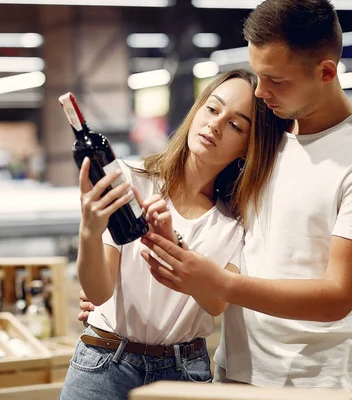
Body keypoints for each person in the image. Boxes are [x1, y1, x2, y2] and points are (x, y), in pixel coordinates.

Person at [134, 0, 352, 395]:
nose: (260, 92)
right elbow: (221, 227)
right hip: (235, 375)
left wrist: (224, 285)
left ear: (326, 72)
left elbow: (338, 296)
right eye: (258, 75)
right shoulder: (269, 138)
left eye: (276, 80)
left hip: (316, 386)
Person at [60, 69, 290, 400]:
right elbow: (97, 293)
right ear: (197, 110)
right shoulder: (130, 179)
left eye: (236, 125)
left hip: (182, 371)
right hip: (105, 361)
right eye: (212, 109)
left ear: (247, 148)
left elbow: (215, 302)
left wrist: (172, 245)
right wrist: (89, 232)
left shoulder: (235, 224)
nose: (215, 125)